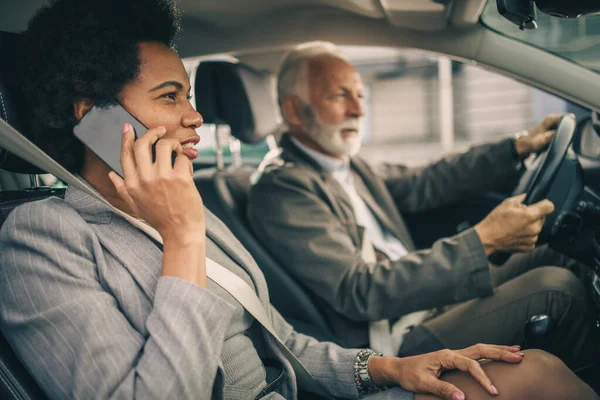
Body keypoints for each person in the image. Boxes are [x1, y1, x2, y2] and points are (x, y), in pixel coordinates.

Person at [0, 1, 596, 399]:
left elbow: (283, 342)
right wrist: (182, 241)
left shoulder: (185, 207)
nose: (195, 116)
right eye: (170, 96)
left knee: (532, 372)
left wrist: (384, 368)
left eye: (191, 95)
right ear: (92, 114)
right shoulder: (42, 238)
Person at [247, 41, 598, 368]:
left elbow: (428, 181)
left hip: (425, 301)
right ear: (294, 110)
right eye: (340, 96)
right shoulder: (283, 189)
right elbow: (359, 291)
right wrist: (482, 241)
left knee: (556, 249)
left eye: (359, 94)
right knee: (556, 289)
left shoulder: (346, 166)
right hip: (392, 340)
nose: (358, 109)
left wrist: (514, 148)